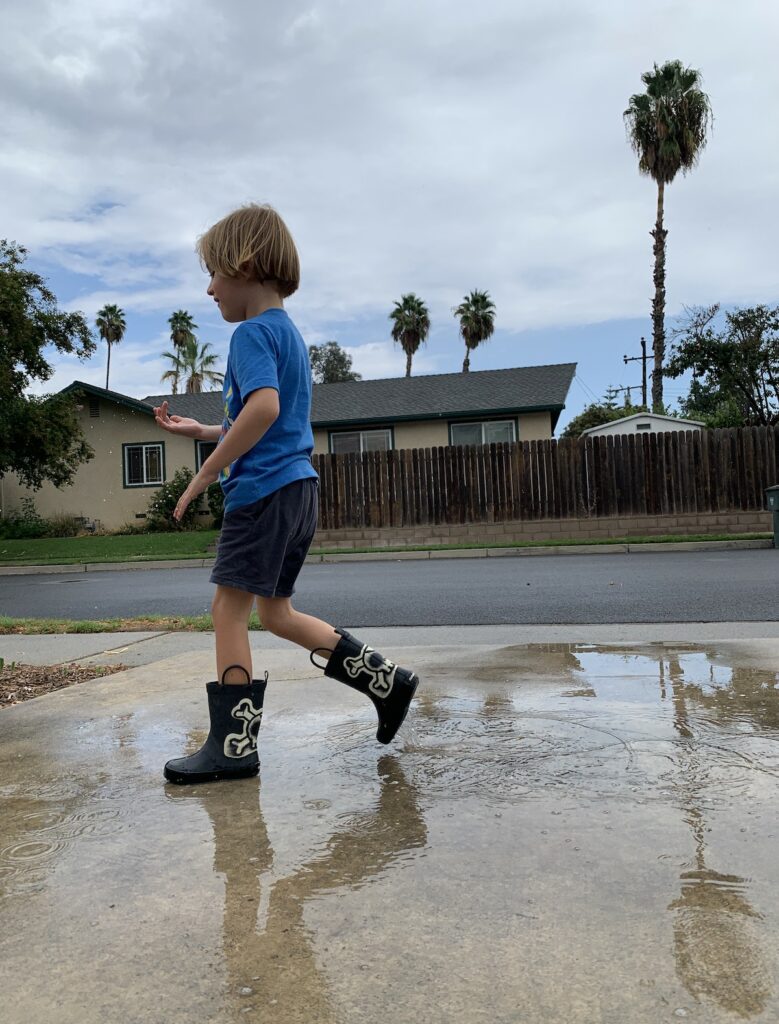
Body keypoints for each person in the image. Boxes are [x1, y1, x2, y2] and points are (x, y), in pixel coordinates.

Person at [153, 203, 419, 784]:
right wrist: (201, 431)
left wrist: (203, 475)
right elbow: (268, 417)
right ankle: (388, 682)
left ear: (245, 265)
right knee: (276, 613)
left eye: (215, 273)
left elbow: (264, 409)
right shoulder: (288, 336)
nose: (209, 287)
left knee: (228, 609)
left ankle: (233, 748)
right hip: (298, 491)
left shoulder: (249, 333)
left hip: (261, 494)